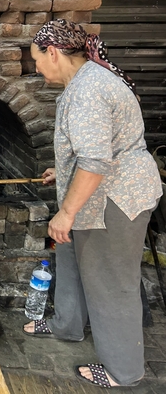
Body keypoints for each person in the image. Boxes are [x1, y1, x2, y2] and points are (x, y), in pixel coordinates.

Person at [21, 19, 162, 388]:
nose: (35, 68)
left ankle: (123, 370)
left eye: (37, 60)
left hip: (116, 200)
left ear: (53, 52)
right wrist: (63, 169)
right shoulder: (86, 81)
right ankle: (66, 326)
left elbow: (97, 162)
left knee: (111, 281)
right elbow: (94, 149)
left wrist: (66, 212)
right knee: (70, 258)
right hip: (96, 191)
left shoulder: (88, 91)